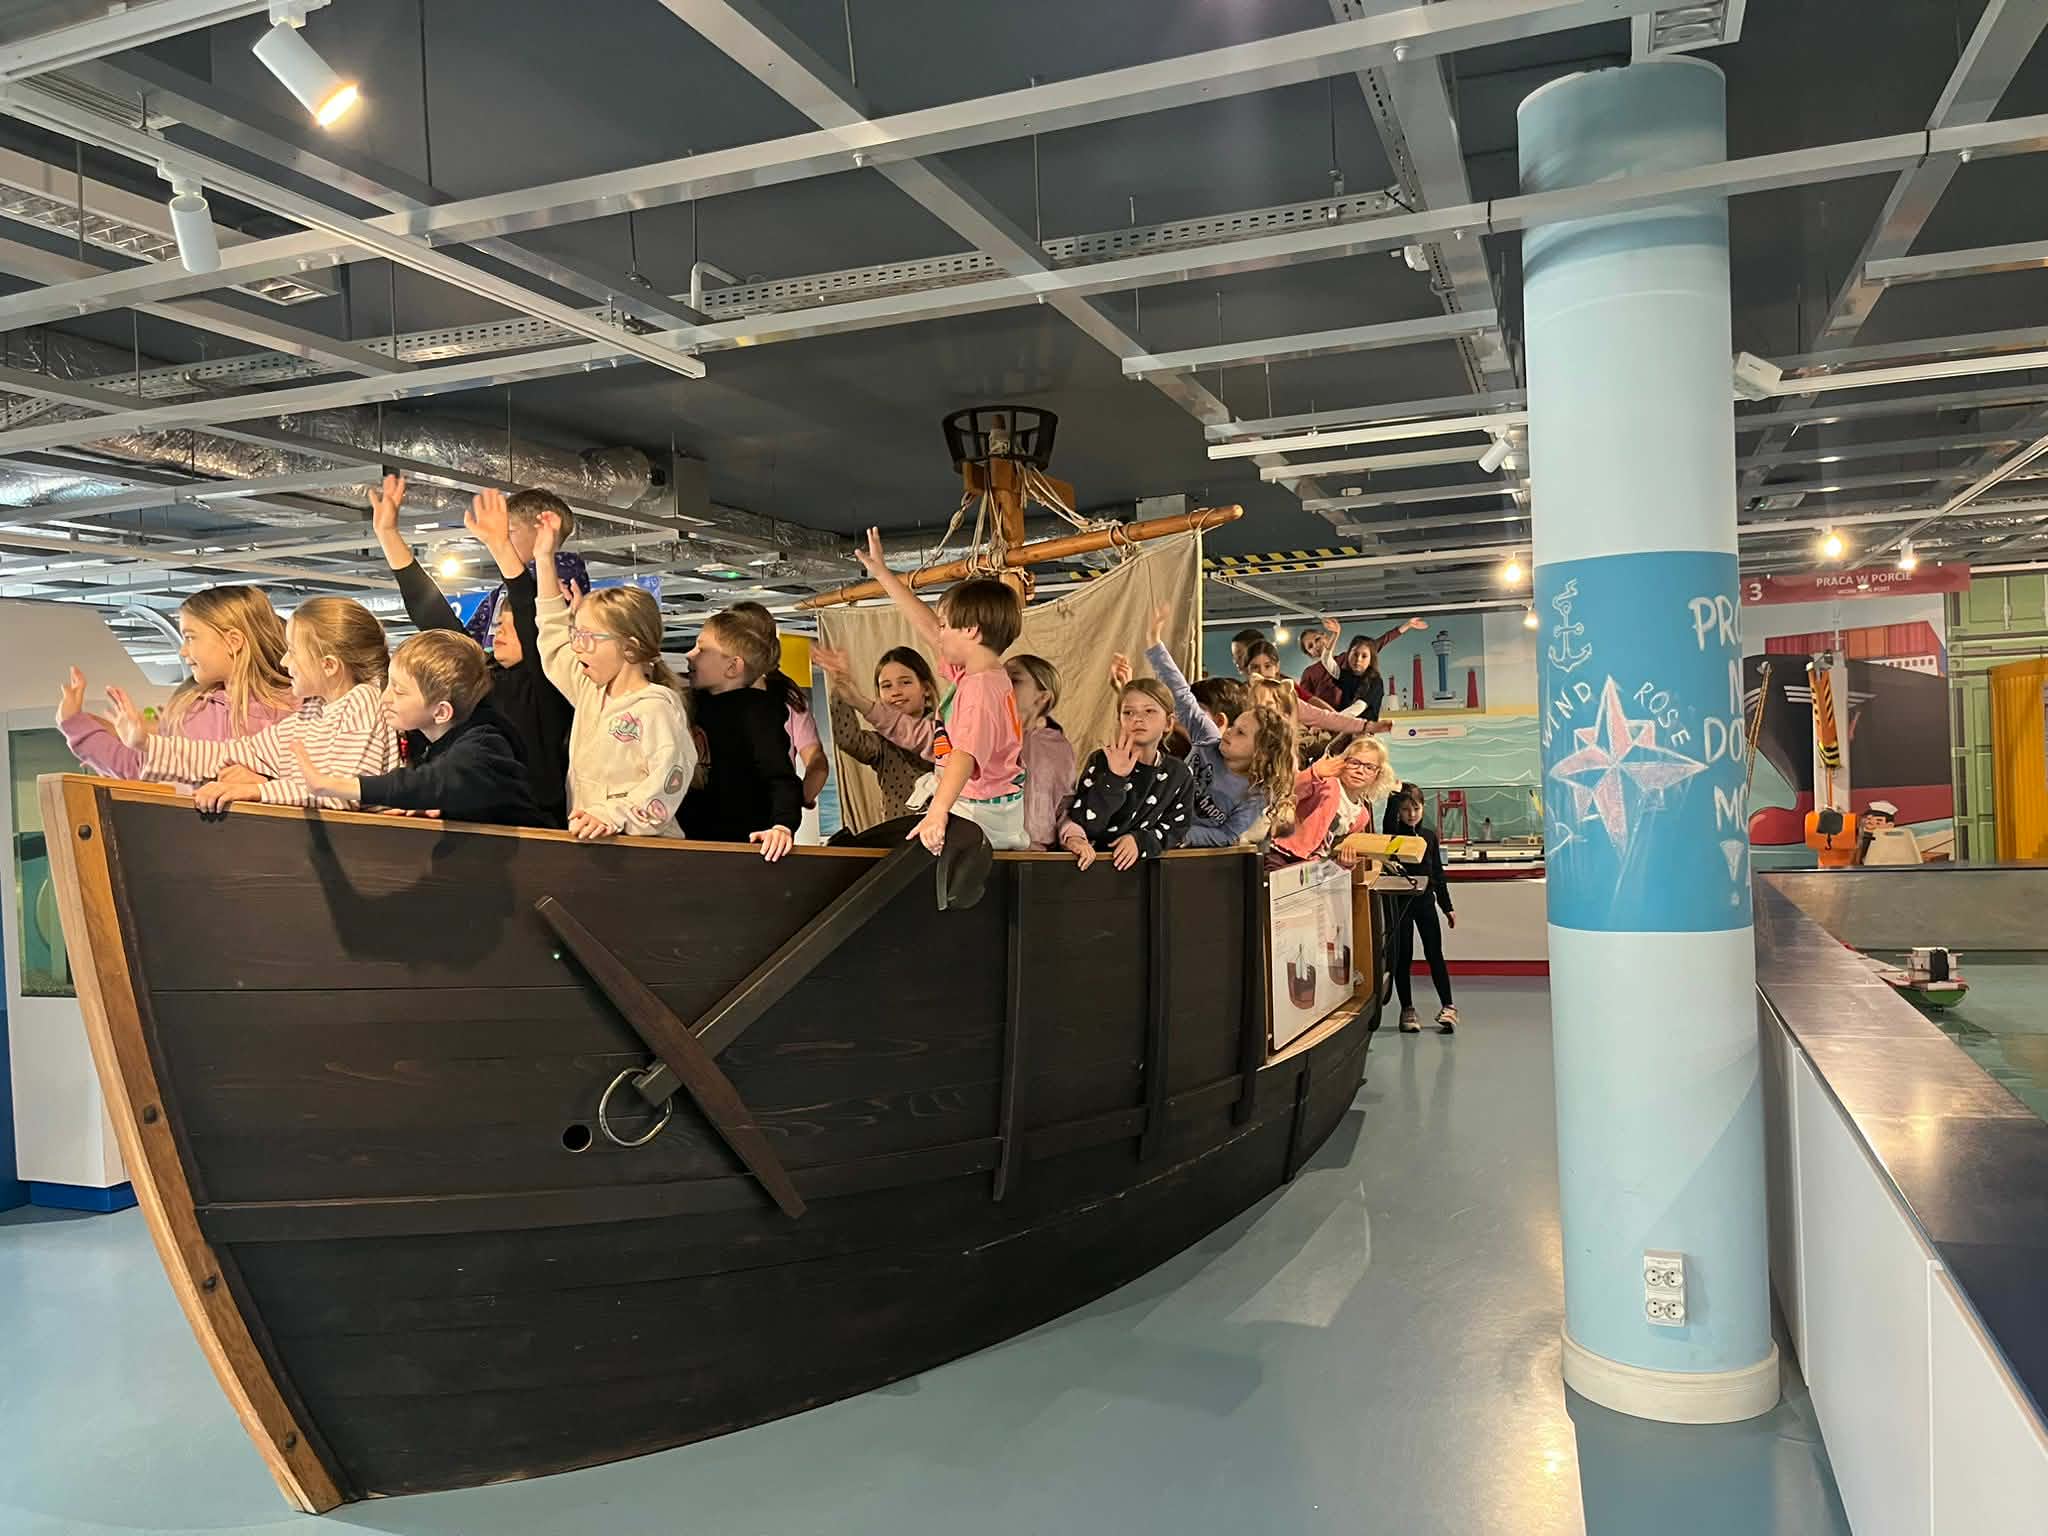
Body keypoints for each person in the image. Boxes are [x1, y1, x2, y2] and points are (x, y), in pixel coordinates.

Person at [371, 475, 575, 827]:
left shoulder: (546, 686)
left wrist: (501, 547)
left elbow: (531, 612)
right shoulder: (482, 678)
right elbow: (432, 615)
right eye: (500, 622)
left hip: (533, 830)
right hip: (466, 822)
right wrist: (388, 535)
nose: (500, 630)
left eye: (511, 625)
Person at [114, 596, 398, 812]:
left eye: (293, 652)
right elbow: (232, 753)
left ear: (329, 666)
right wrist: (147, 744)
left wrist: (259, 791)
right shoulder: (311, 713)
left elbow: (343, 794)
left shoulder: (363, 702)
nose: (284, 661)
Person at [853, 527, 1027, 854]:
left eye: (946, 625)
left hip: (980, 810)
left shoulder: (981, 690)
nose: (940, 632)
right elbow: (929, 628)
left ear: (971, 631)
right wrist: (884, 576)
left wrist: (937, 812)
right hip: (975, 799)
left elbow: (964, 755)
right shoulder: (978, 673)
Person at [532, 511, 697, 843]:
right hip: (598, 849)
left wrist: (614, 815)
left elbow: (670, 778)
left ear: (629, 648)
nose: (577, 647)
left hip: (646, 852)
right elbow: (552, 636)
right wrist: (544, 559)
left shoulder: (656, 707)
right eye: (576, 635)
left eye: (588, 637)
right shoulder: (590, 691)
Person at [286, 631, 540, 825]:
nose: (384, 698)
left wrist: (330, 785)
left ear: (441, 712)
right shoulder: (439, 742)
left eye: (399, 691)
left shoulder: (484, 749)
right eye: (388, 685)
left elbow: (433, 781)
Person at [59, 585, 295, 791]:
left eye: (190, 637)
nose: (182, 651)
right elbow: (140, 769)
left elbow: (311, 782)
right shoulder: (190, 709)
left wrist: (265, 784)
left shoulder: (295, 709)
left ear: (233, 641)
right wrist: (76, 725)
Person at [1134, 604, 1295, 847]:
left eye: (1240, 732)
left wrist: (1181, 834)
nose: (1228, 732)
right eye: (1234, 726)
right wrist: (1154, 643)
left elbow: (1228, 835)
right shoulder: (1209, 738)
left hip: (1182, 848)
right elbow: (1182, 696)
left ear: (1260, 752)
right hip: (1149, 819)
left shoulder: (1255, 794)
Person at [677, 606, 803, 859]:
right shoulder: (689, 703)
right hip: (690, 842)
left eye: (702, 649)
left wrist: (782, 825)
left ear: (733, 667)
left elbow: (780, 777)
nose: (689, 655)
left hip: (740, 845)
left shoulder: (758, 711)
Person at [1057, 678, 1196, 869]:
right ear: (1119, 721)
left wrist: (1140, 841)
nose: (1137, 719)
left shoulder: (1179, 773)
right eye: (1128, 712)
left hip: (1145, 870)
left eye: (1149, 711)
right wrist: (1115, 778)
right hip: (1092, 865)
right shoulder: (1101, 760)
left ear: (1168, 722)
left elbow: (1177, 828)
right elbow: (1087, 823)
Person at [726, 602, 829, 843]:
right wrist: (801, 797)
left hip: (746, 818)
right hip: (770, 821)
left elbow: (817, 762)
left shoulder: (783, 697)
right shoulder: (788, 695)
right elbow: (818, 762)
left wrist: (797, 798)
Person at [816, 644, 938, 824]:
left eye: (905, 682)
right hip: (898, 834)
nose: (896, 692)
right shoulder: (882, 743)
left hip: (947, 829)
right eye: (886, 686)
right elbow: (848, 740)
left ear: (926, 688)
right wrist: (841, 689)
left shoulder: (946, 730)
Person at [464, 488, 587, 652]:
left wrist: (502, 549)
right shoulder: (498, 594)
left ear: (543, 529)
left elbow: (526, 589)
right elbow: (469, 638)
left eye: (508, 532)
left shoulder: (564, 569)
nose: (501, 540)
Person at [1384, 781, 1456, 1033]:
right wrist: (1394, 793)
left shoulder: (1429, 836)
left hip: (1425, 903)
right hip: (1401, 904)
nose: (1411, 814)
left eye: (1416, 809)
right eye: (1405, 809)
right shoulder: (1393, 835)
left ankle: (1448, 1006)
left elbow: (1437, 873)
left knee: (1435, 954)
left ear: (1423, 808)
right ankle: (1407, 1009)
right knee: (1403, 957)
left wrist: (1447, 906)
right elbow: (1388, 825)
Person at [1265, 735, 1392, 868]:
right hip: (1282, 853)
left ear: (1378, 774)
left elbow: (1334, 850)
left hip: (1312, 865)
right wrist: (1314, 773)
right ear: (1342, 762)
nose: (1360, 771)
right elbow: (1291, 791)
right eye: (1354, 763)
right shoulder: (1326, 783)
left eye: (1369, 767)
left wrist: (1344, 863)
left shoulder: (1361, 816)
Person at [1004, 653, 1077, 851]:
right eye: (1001, 677)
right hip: (989, 850)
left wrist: (1072, 837)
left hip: (1040, 854)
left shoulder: (1059, 747)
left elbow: (1064, 805)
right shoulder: (986, 732)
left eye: (1014, 679)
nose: (1003, 684)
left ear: (1043, 696)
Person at [1243, 642, 1372, 740]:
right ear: (1247, 670)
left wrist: (1342, 722)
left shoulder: (1288, 689)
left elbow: (1315, 705)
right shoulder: (1242, 695)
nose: (1262, 672)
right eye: (1255, 667)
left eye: (1267, 666)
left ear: (1277, 667)